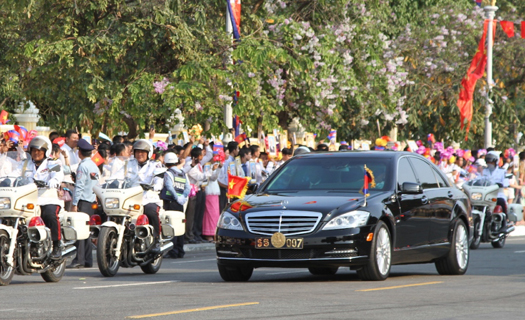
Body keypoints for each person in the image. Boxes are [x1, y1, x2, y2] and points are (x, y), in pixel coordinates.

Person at [16, 136, 64, 259]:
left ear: (46, 151)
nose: (36, 153)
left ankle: (57, 244)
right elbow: (14, 175)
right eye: (33, 150)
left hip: (48, 198)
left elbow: (58, 175)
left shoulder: (52, 163)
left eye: (39, 151)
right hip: (28, 199)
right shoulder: (25, 164)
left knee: (49, 215)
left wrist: (53, 181)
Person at [68, 140, 99, 268]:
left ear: (80, 152)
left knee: (80, 231)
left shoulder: (82, 166)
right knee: (86, 231)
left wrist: (74, 203)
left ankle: (79, 259)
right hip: (91, 201)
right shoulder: (94, 166)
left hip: (83, 201)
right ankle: (87, 260)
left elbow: (79, 186)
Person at [160, 152, 190, 258]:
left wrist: (176, 197)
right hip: (180, 204)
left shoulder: (168, 173)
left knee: (170, 227)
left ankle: (172, 251)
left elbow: (169, 186)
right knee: (180, 226)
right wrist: (182, 198)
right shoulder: (182, 172)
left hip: (170, 202)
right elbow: (188, 188)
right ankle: (180, 250)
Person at [483, 152, 509, 232]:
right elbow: (477, 178)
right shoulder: (484, 171)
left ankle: (504, 223)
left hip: (498, 193)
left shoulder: (502, 171)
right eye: (488, 162)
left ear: (496, 161)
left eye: (491, 162)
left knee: (501, 201)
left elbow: (505, 183)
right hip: (486, 194)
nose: (489, 164)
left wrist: (501, 184)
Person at [202, 161, 223, 242]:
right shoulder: (207, 165)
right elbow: (212, 178)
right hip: (209, 191)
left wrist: (218, 168)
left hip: (214, 192)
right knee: (210, 214)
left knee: (215, 214)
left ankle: (214, 233)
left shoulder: (213, 165)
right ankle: (208, 234)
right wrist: (217, 169)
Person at [218, 141, 240, 211]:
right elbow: (225, 175)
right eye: (238, 149)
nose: (238, 151)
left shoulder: (234, 160)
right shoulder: (227, 161)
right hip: (224, 187)